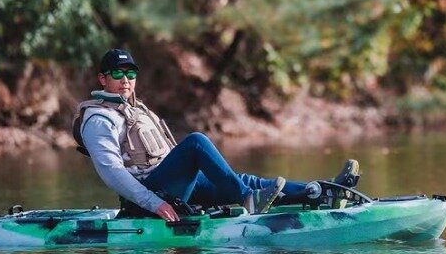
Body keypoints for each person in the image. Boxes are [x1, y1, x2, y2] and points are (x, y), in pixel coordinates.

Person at [74, 48, 360, 222]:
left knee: (244, 181)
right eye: (117, 73)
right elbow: (111, 172)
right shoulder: (99, 119)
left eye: (131, 73)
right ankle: (248, 199)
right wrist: (154, 203)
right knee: (196, 143)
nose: (126, 80)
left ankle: (322, 192)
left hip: (174, 189)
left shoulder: (137, 109)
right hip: (149, 201)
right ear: (103, 79)